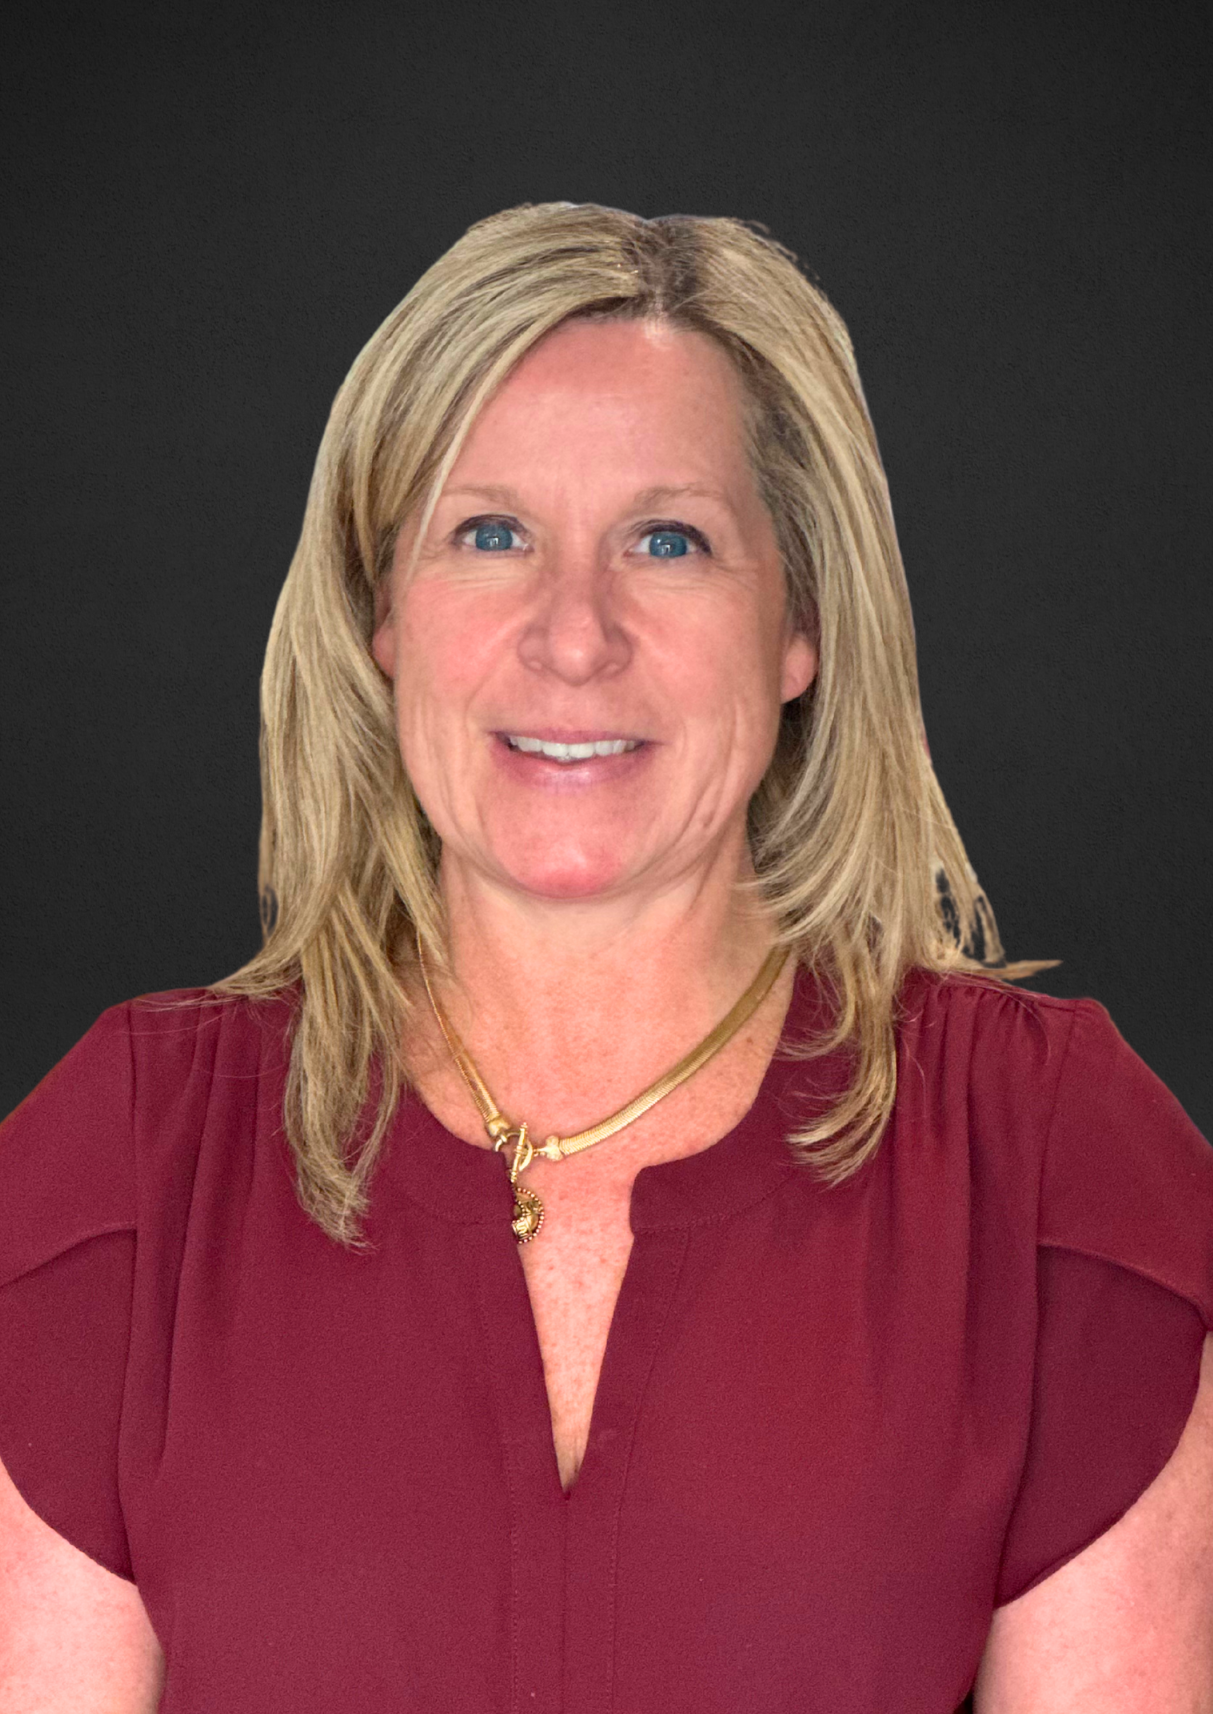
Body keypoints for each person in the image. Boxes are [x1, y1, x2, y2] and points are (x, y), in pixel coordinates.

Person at [1, 202, 1211, 1714]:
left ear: (801, 624)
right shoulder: (122, 1175)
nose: (575, 635)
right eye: (489, 532)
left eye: (670, 539)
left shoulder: (1046, 1171)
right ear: (383, 612)